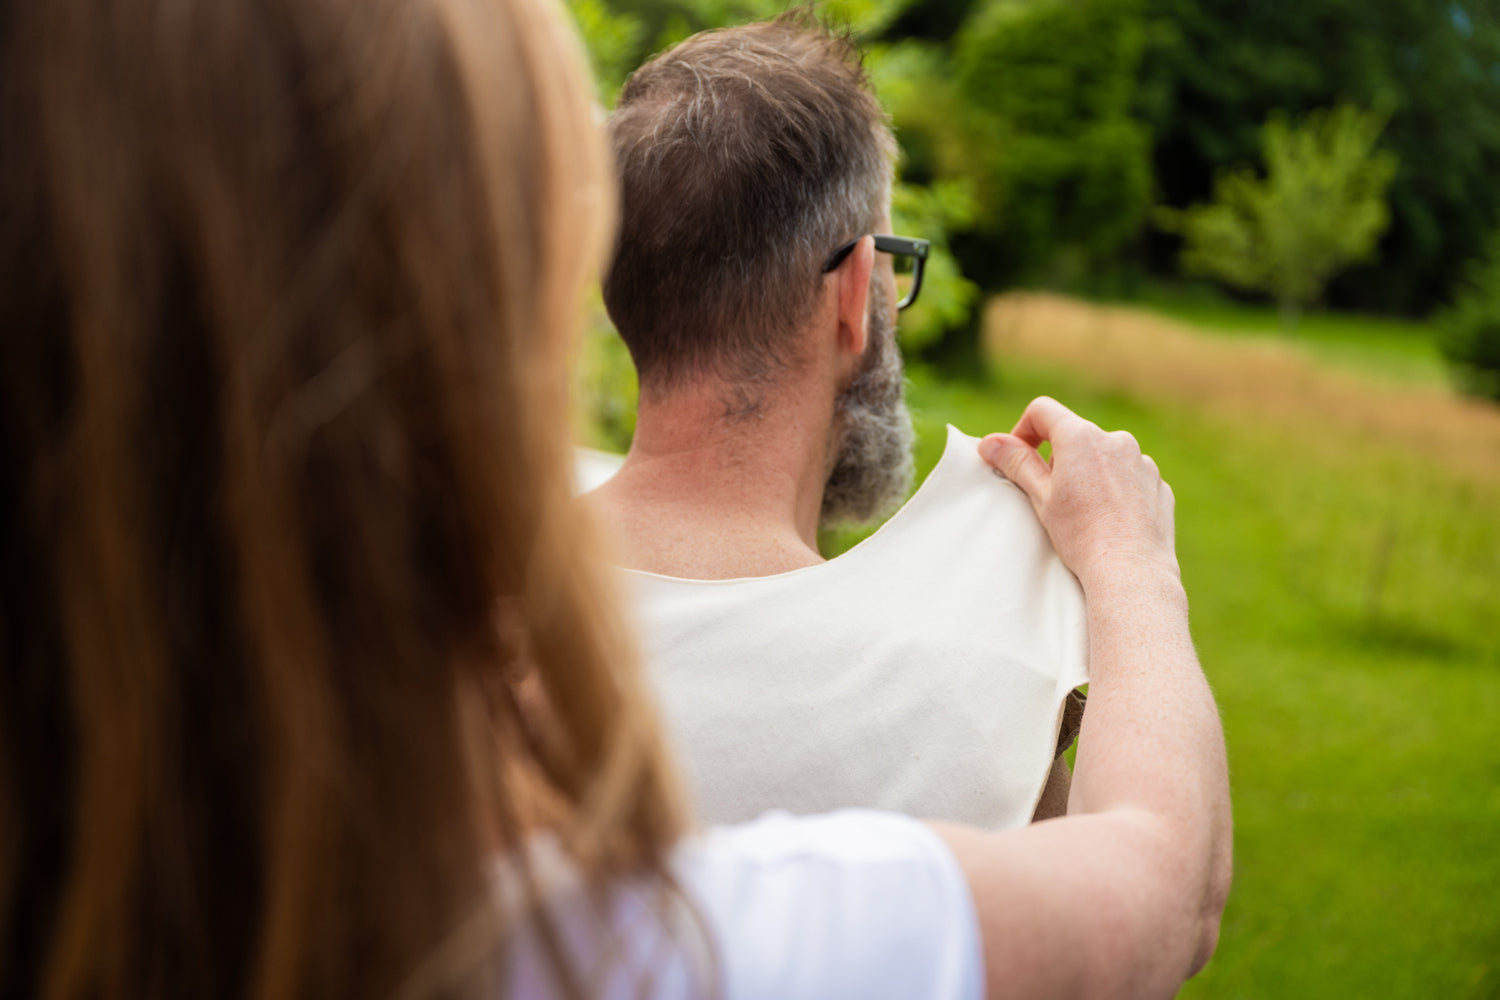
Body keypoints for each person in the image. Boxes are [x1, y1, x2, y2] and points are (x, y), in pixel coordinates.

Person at [0, 0, 1231, 997]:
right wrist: (1130, 565)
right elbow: (1159, 891)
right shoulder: (648, 942)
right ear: (855, 295)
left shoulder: (178, 836)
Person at [586, 16, 1086, 829]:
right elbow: (1147, 920)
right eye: (894, 262)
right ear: (855, 293)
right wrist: (1138, 569)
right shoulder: (947, 708)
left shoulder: (449, 606)